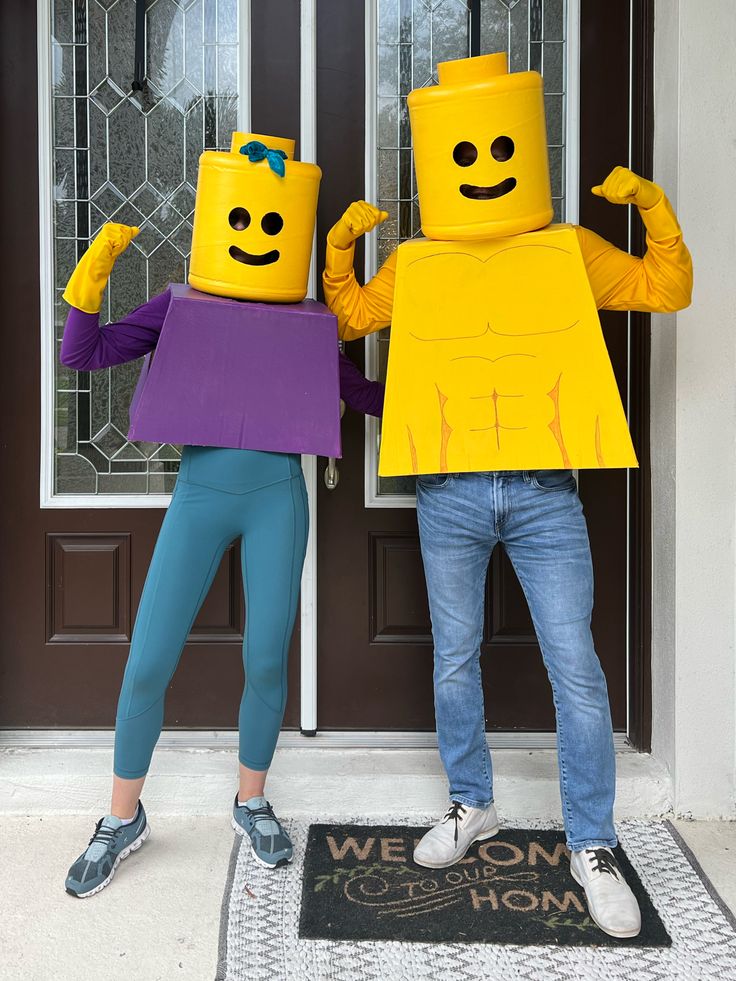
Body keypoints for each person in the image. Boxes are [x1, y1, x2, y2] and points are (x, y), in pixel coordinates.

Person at [322, 53, 692, 939]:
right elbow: (348, 318)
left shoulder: (567, 249)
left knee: (578, 669)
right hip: (448, 489)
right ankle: (471, 802)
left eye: (497, 149)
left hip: (544, 492)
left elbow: (667, 287)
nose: (482, 167)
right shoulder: (416, 263)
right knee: (454, 657)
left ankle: (594, 840)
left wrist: (651, 207)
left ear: (521, 144)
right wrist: (340, 246)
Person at [62, 134, 383, 899]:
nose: (257, 235)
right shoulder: (182, 306)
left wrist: (462, 395)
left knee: (267, 656)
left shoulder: (308, 321)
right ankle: (120, 818)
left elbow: (367, 398)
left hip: (278, 497)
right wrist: (94, 268)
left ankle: (252, 798)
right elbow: (85, 352)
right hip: (203, 495)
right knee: (147, 659)